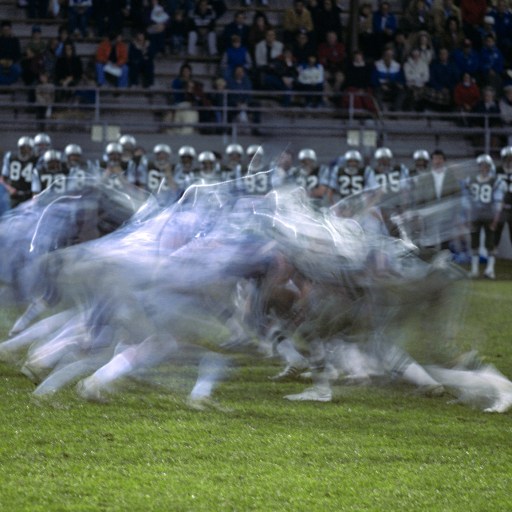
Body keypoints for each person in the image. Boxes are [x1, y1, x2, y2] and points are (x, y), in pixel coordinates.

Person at [466, 154, 505, 279]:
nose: (484, 168)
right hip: (475, 216)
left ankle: (489, 270)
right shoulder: (470, 180)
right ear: (478, 167)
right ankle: (474, 270)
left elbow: (499, 201)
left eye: (486, 166)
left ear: (490, 167)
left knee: (490, 243)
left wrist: (496, 218)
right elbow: (467, 201)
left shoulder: (496, 181)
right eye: (481, 166)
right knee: (474, 243)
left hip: (489, 215)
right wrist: (468, 217)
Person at [0, 136, 36, 208]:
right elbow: (2, 179)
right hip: (14, 196)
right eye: (23, 148)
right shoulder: (11, 157)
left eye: (28, 148)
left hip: (29, 195)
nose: (26, 150)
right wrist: (10, 189)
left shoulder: (35, 160)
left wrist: (35, 195)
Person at [226, 65, 261, 135]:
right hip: (235, 103)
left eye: (241, 71)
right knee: (228, 105)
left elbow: (249, 94)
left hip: (245, 103)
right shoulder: (230, 82)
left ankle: (255, 128)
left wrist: (246, 103)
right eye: (238, 71)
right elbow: (230, 95)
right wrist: (236, 103)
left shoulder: (247, 81)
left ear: (243, 73)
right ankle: (229, 129)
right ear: (235, 72)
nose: (239, 73)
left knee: (257, 105)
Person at [371, 46, 407, 112]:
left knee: (402, 92)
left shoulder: (397, 65)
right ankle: (380, 110)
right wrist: (381, 85)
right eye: (387, 54)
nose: (389, 56)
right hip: (380, 85)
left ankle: (395, 109)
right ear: (384, 55)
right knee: (376, 92)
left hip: (393, 85)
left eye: (390, 55)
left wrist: (400, 84)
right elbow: (373, 78)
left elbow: (401, 78)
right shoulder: (377, 64)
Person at [317, 30, 346, 104]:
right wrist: (332, 59)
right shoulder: (322, 46)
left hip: (337, 68)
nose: (331, 39)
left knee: (340, 78)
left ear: (336, 38)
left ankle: (334, 96)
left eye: (332, 37)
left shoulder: (340, 46)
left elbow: (341, 58)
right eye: (329, 37)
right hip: (326, 68)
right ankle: (329, 96)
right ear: (327, 38)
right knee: (322, 77)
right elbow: (322, 60)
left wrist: (330, 59)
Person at [494, 146, 512, 250]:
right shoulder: (498, 170)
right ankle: (491, 258)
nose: (509, 161)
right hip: (500, 207)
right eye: (507, 158)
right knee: (496, 232)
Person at [0, 20, 22, 86]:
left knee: (18, 70)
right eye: (4, 29)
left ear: (10, 30)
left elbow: (18, 54)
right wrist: (1, 61)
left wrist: (12, 61)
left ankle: (4, 83)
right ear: (1, 30)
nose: (6, 31)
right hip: (1, 61)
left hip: (12, 61)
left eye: (8, 29)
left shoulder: (15, 40)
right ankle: (7, 84)